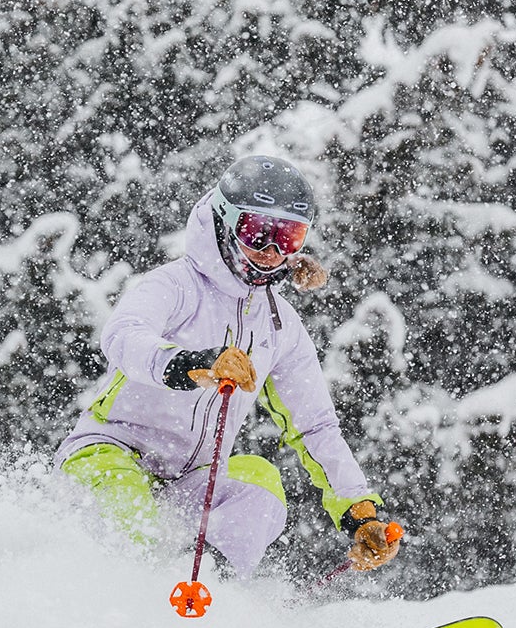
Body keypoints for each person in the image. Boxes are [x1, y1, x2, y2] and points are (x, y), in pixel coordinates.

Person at [57, 155, 402, 579]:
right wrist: (190, 365)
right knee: (132, 517)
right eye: (258, 233)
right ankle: (132, 609)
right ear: (223, 222)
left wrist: (359, 510)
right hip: (107, 456)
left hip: (187, 479)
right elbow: (123, 334)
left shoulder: (281, 327)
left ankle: (209, 597)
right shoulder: (176, 285)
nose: (272, 252)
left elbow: (314, 426)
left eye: (288, 238)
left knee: (259, 483)